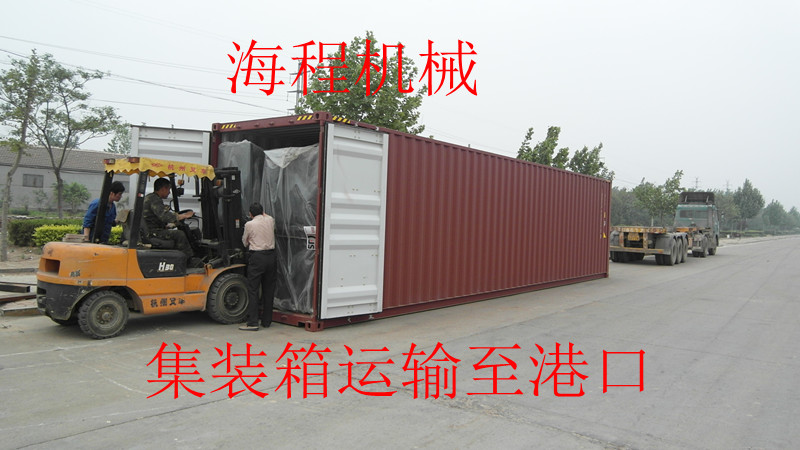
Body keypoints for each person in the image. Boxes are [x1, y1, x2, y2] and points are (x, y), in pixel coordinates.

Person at [239, 202, 276, 331]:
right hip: (271, 257)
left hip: (257, 258)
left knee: (253, 290)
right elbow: (266, 216)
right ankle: (267, 321)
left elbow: (244, 242)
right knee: (269, 289)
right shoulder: (270, 220)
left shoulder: (249, 224)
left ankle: (253, 322)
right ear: (263, 212)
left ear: (250, 214)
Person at [142, 177, 195, 260]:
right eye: (169, 189)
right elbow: (164, 216)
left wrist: (170, 224)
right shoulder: (154, 199)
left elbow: (156, 217)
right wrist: (184, 216)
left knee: (175, 232)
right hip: (153, 232)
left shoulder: (150, 197)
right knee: (179, 234)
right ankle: (188, 260)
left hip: (151, 230)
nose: (169, 192)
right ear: (163, 189)